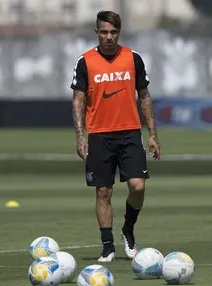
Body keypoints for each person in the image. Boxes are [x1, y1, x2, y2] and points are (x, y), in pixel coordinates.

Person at [70, 10, 161, 262]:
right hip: (99, 135)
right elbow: (77, 101)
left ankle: (128, 229)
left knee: (138, 186)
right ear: (96, 33)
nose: (108, 37)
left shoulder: (133, 58)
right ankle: (107, 246)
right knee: (103, 192)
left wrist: (153, 133)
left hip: (130, 132)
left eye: (113, 32)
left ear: (118, 33)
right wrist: (80, 136)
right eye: (103, 32)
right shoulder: (85, 61)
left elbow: (144, 96)